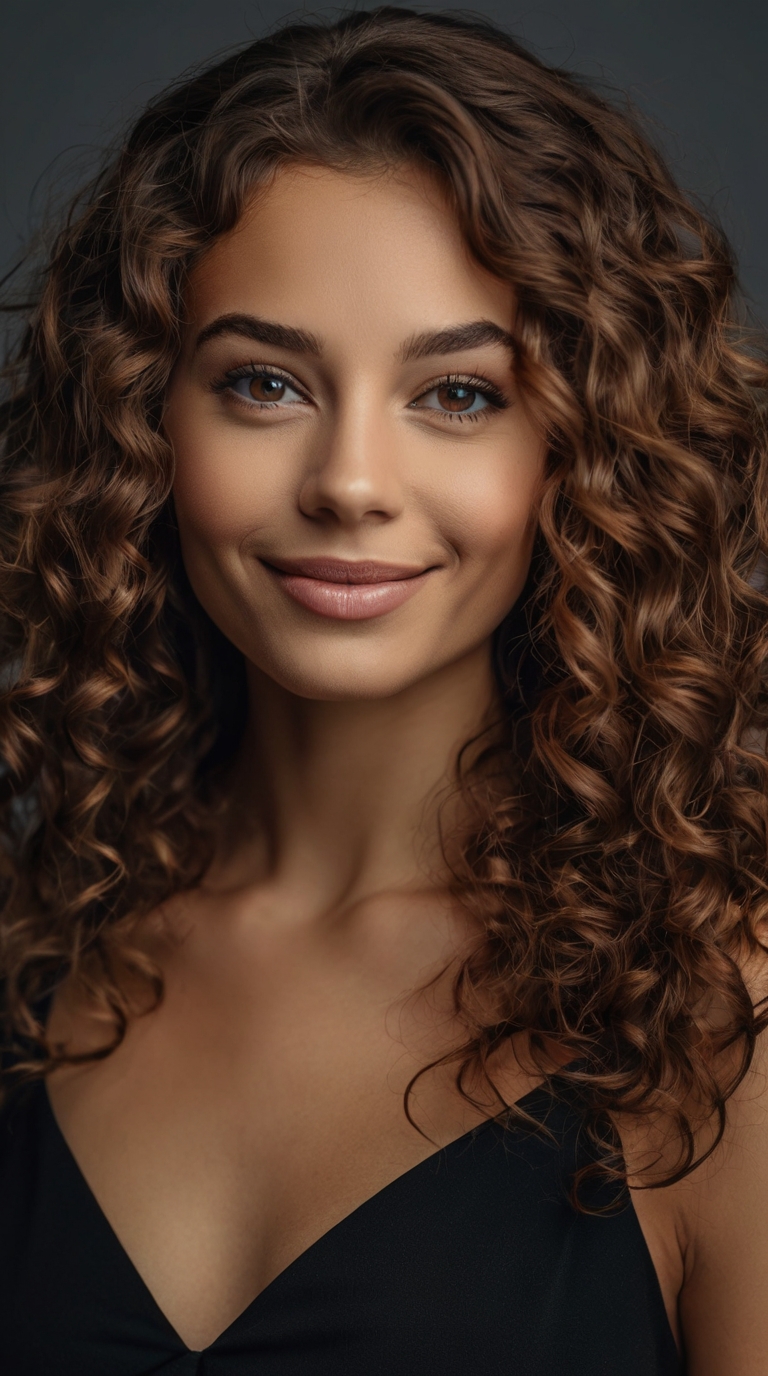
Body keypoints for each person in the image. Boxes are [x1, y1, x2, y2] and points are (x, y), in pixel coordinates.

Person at [1, 7, 766, 1372]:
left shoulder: (718, 1014)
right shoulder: (31, 952)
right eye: (265, 382)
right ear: (142, 418)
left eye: (458, 396)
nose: (350, 480)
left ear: (580, 450)